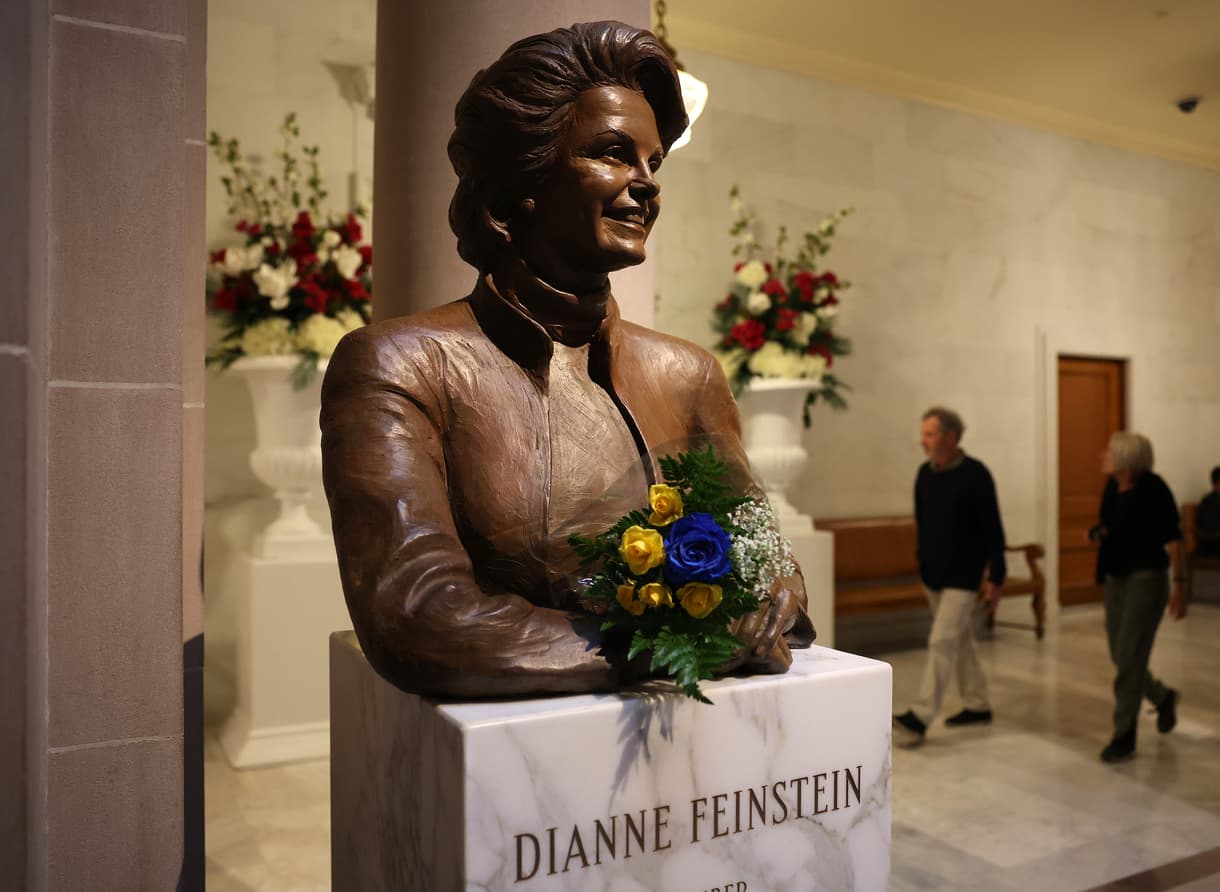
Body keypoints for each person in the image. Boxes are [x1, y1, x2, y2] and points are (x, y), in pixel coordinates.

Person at [319, 21, 813, 699]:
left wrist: (766, 597)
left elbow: (768, 568)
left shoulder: (688, 374)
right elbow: (418, 614)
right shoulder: (401, 364)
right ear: (518, 185)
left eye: (653, 163)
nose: (646, 184)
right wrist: (674, 647)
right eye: (612, 153)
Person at [893, 407, 1006, 743]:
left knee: (941, 640)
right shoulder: (924, 474)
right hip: (934, 572)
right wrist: (922, 562)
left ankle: (921, 715)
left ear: (951, 437)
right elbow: (923, 524)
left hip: (964, 574)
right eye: (924, 434)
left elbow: (992, 528)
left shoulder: (975, 475)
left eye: (929, 434)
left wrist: (996, 576)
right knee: (960, 640)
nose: (922, 441)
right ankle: (978, 703)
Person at [1091, 432, 1186, 763]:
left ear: (1127, 458)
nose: (1103, 455)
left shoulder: (1154, 489)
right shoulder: (1112, 487)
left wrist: (1181, 584)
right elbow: (1109, 525)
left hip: (1146, 579)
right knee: (1120, 654)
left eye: (1110, 451)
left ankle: (1124, 734)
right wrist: (1099, 531)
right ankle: (1162, 696)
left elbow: (1173, 538)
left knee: (1129, 655)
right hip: (1116, 578)